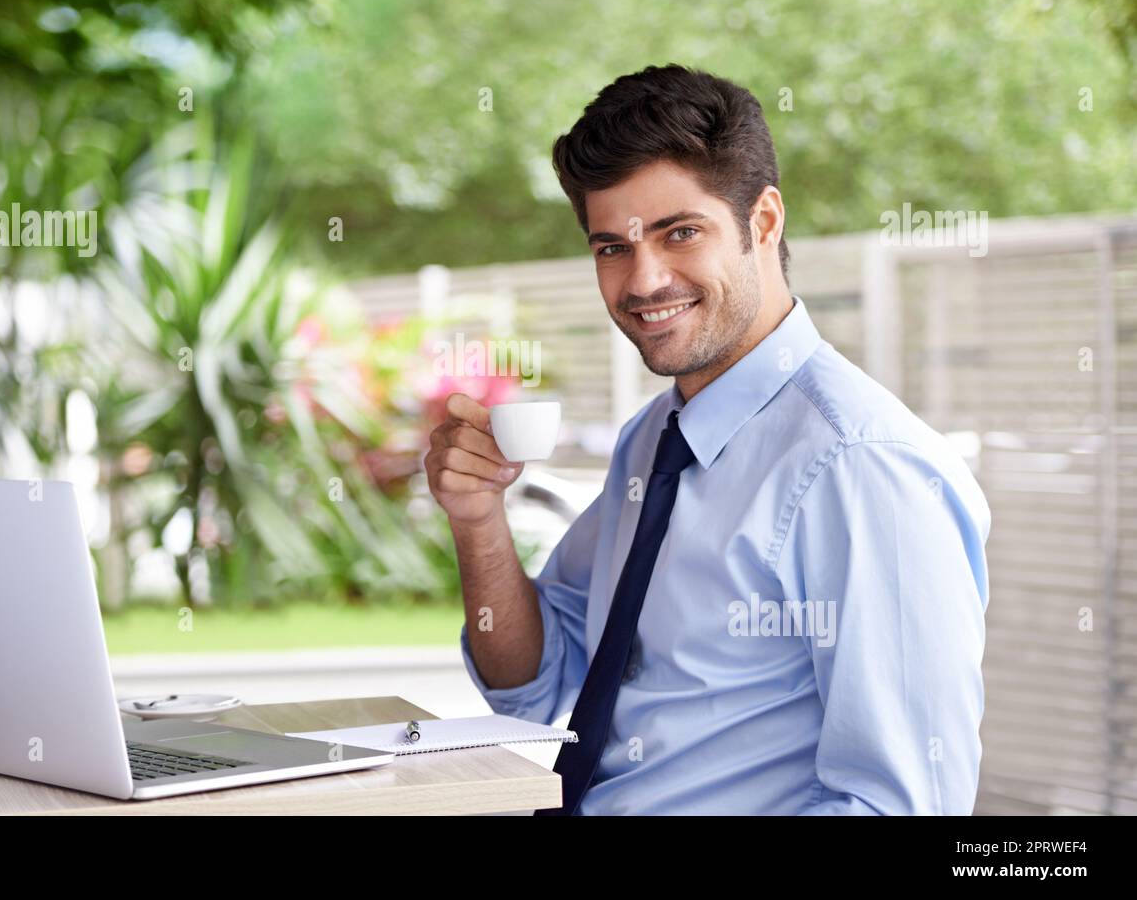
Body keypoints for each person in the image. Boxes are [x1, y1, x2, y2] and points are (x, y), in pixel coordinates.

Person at [423, 64, 991, 815]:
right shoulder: (655, 439)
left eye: (679, 232)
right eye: (610, 248)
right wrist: (478, 519)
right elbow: (532, 680)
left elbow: (899, 805)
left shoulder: (862, 466)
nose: (643, 280)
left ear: (763, 222)